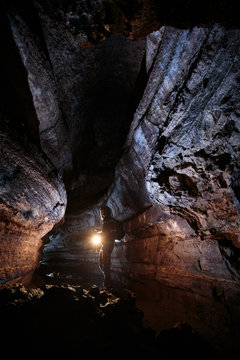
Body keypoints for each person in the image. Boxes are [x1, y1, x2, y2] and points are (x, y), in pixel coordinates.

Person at [99, 205, 118, 288]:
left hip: (108, 244)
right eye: (101, 211)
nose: (102, 212)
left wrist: (102, 234)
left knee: (106, 264)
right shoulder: (105, 221)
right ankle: (108, 284)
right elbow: (106, 231)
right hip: (105, 244)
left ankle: (107, 286)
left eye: (103, 211)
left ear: (107, 211)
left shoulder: (110, 220)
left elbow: (112, 232)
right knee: (102, 263)